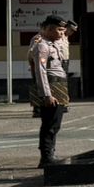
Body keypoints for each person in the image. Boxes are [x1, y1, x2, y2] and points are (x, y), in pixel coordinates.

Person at [29, 15, 71, 167]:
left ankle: (50, 153)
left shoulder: (53, 44)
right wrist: (47, 95)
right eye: (59, 30)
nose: (62, 33)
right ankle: (46, 156)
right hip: (51, 87)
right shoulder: (42, 46)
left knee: (55, 123)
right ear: (49, 29)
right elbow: (40, 72)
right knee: (49, 123)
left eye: (63, 30)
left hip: (58, 85)